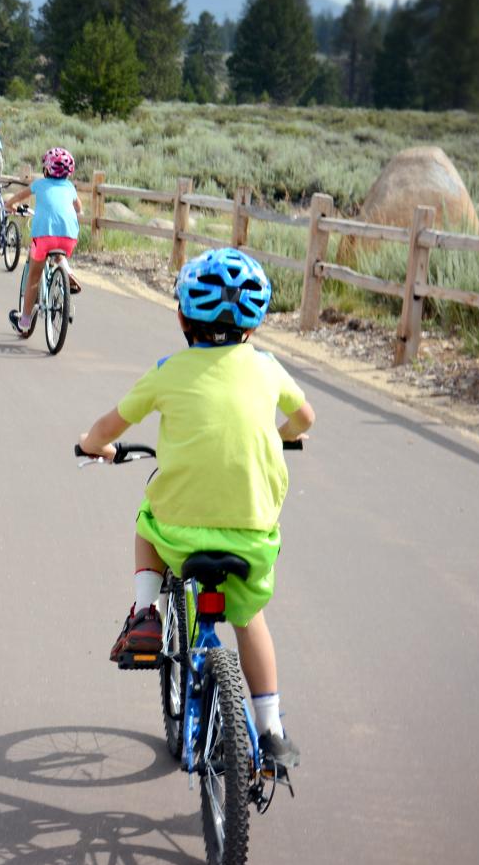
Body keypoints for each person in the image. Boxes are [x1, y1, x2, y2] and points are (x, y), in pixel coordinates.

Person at [75, 248, 316, 770]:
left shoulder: (168, 371)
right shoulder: (268, 368)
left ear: (183, 317)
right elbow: (305, 419)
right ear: (254, 325)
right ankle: (271, 730)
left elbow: (108, 430)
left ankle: (145, 614)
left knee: (146, 520)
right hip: (251, 537)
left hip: (180, 534)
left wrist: (94, 445)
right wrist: (279, 437)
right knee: (249, 618)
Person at [4, 147, 83, 337]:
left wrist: (9, 206)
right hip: (69, 236)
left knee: (34, 276)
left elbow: (17, 198)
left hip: (44, 235)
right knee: (58, 252)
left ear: (47, 169)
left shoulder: (39, 184)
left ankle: (24, 321)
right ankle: (67, 272)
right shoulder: (70, 188)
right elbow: (79, 210)